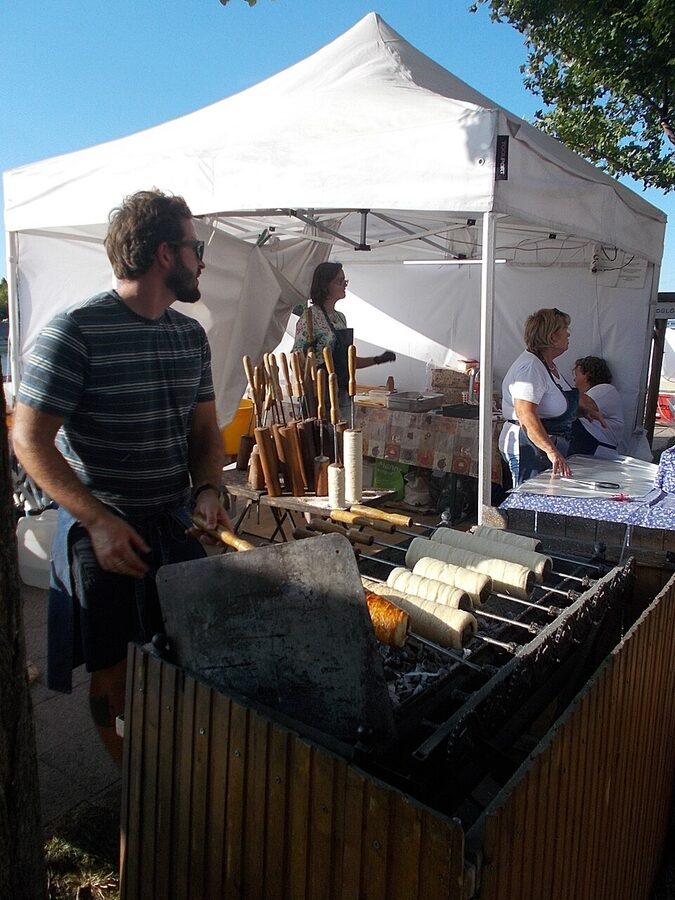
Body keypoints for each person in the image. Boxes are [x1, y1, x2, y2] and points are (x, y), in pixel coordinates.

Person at [12, 189, 231, 767]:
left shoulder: (190, 336)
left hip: (174, 526)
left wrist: (207, 489)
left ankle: (178, 770)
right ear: (165, 254)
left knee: (189, 655)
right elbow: (28, 440)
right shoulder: (75, 332)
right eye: (196, 247)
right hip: (102, 531)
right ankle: (137, 789)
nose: (201, 259)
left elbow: (205, 434)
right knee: (113, 678)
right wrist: (98, 521)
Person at [499, 307, 605, 486]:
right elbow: (525, 414)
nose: (569, 335)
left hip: (543, 444)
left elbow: (549, 405)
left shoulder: (547, 365)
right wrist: (552, 451)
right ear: (552, 337)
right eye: (565, 329)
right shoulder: (530, 368)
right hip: (528, 447)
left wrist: (579, 412)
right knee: (528, 500)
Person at [292, 261, 396, 416]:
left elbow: (346, 361)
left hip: (342, 389)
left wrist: (377, 359)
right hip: (319, 394)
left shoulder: (340, 318)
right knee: (323, 438)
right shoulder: (309, 318)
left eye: (344, 281)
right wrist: (306, 355)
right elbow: (295, 362)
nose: (344, 285)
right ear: (325, 285)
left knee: (344, 436)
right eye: (339, 281)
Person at [568, 356, 624, 458]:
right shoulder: (589, 393)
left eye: (577, 374)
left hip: (599, 454)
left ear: (587, 375)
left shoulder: (605, 390)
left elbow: (583, 405)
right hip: (583, 453)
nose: (574, 379)